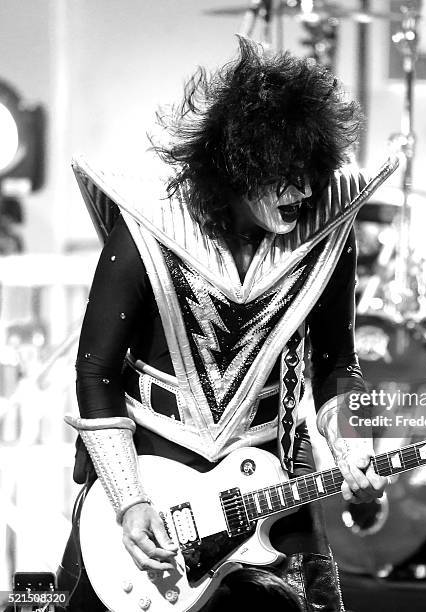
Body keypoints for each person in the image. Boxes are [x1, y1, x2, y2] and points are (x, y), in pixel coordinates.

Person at [58, 37, 393, 611]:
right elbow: (96, 373)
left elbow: (337, 364)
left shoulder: (330, 233)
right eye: (286, 175)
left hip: (271, 491)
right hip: (148, 496)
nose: (306, 191)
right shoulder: (143, 230)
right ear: (239, 166)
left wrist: (353, 446)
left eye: (312, 172)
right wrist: (129, 501)